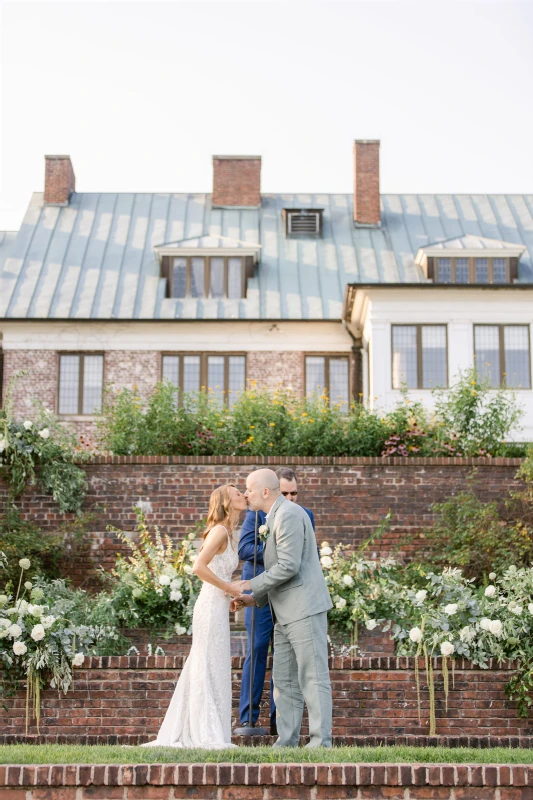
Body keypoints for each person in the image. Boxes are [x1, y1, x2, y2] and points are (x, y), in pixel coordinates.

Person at [230, 469, 332, 748]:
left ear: (265, 491)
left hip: (304, 609)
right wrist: (254, 600)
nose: (246, 494)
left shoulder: (288, 514)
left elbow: (288, 566)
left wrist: (249, 585)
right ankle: (286, 742)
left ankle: (320, 743)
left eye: (249, 489)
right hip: (283, 612)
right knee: (284, 681)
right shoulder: (272, 516)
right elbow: (280, 569)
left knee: (313, 677)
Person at [141, 484, 247, 749]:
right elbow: (197, 567)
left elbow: (218, 573)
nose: (243, 495)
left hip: (218, 606)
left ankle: (210, 728)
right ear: (225, 502)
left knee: (213, 664)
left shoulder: (229, 533)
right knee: (206, 663)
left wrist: (230, 595)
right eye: (237, 493)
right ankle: (203, 730)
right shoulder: (220, 531)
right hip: (209, 608)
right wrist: (228, 587)